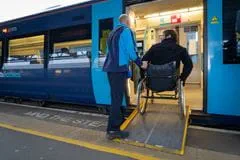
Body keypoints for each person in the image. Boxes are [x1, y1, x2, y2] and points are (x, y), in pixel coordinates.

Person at [103, 14, 143, 140]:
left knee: (117, 97)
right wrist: (141, 63)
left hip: (111, 69)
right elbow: (131, 51)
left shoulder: (112, 33)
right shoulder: (126, 31)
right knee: (117, 99)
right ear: (127, 21)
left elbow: (108, 52)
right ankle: (112, 130)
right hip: (118, 69)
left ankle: (118, 121)